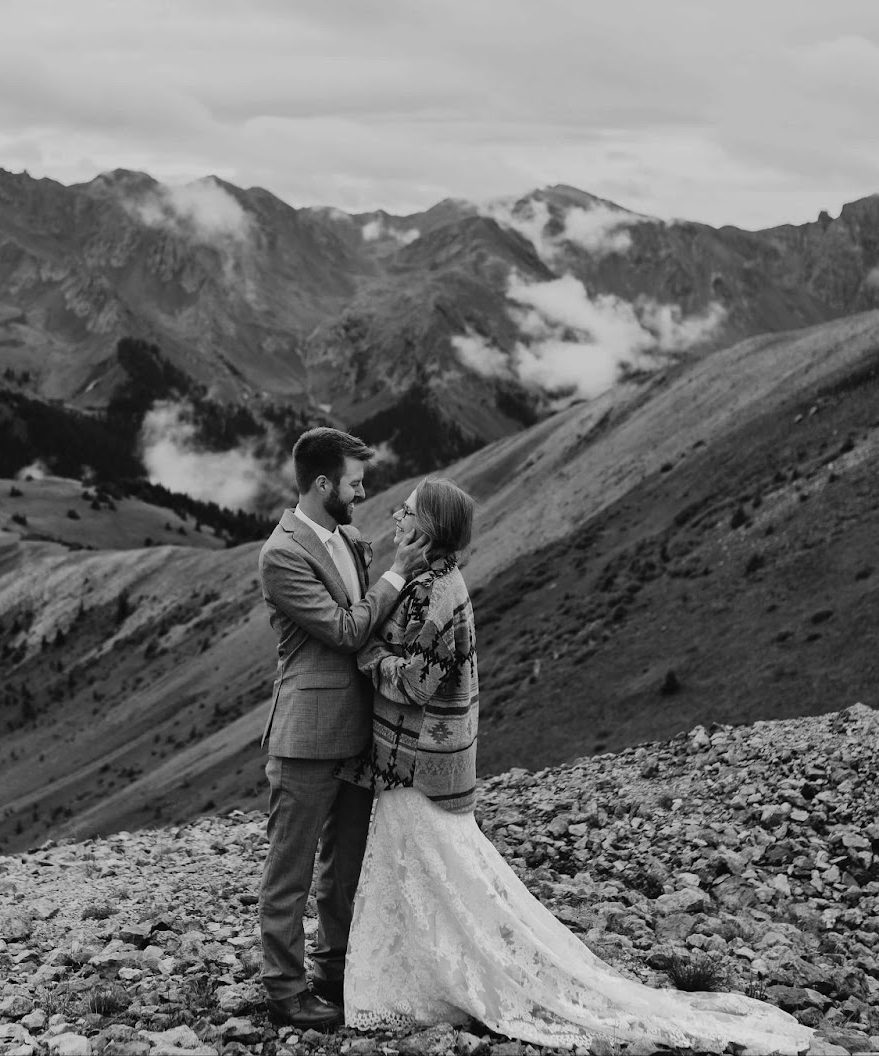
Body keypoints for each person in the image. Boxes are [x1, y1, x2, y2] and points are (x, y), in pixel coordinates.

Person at [339, 478, 815, 1054]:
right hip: (418, 762)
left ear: (429, 528)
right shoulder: (431, 581)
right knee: (436, 876)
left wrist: (368, 655)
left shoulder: (432, 594)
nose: (395, 517)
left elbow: (416, 683)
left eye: (406, 512)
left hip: (416, 760)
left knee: (435, 875)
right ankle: (426, 979)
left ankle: (433, 985)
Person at [256, 428, 430, 1030]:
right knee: (292, 868)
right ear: (323, 484)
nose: (363, 492)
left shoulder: (350, 539)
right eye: (355, 482)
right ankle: (284, 991)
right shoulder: (281, 554)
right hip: (304, 734)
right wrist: (398, 574)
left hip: (359, 731)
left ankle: (332, 970)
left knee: (343, 864)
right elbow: (347, 629)